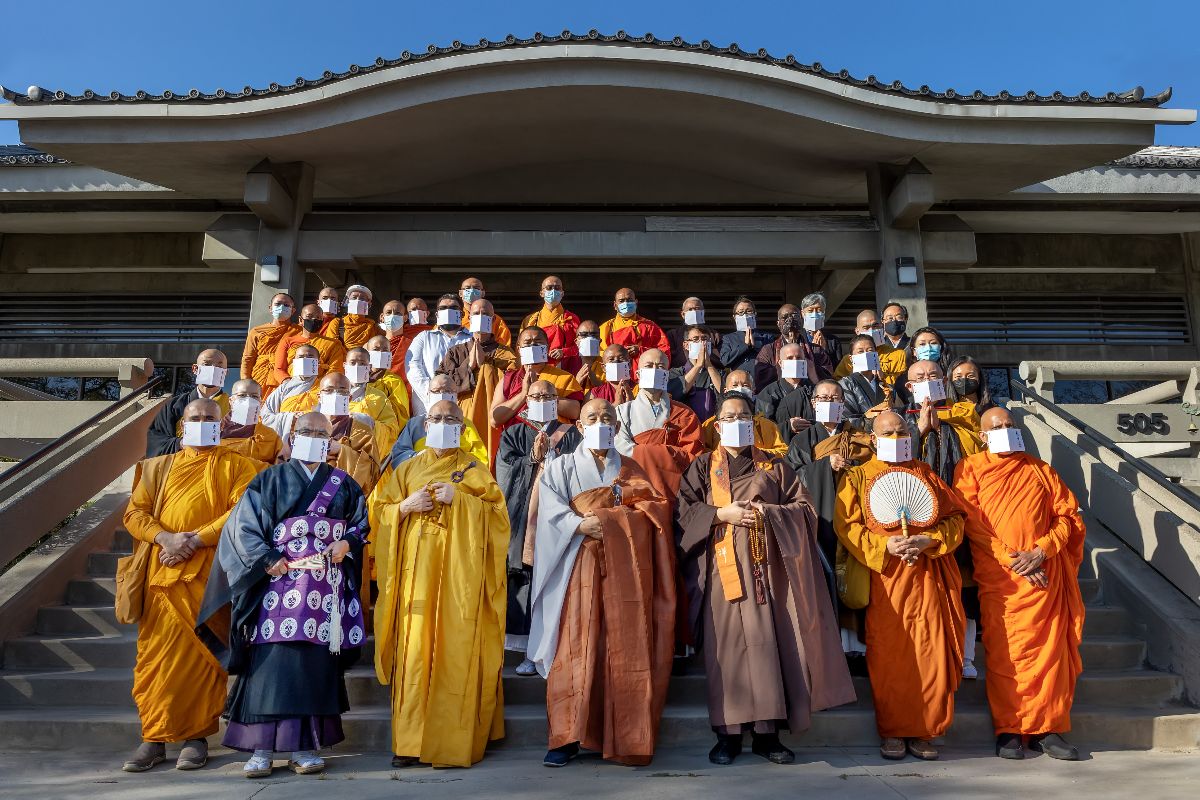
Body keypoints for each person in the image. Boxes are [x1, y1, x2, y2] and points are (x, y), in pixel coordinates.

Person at [676, 392, 855, 766]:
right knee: (726, 653)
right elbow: (684, 513)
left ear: (754, 422)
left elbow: (805, 510)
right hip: (721, 573)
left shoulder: (775, 467)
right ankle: (726, 735)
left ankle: (766, 735)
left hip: (767, 571)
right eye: (728, 416)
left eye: (743, 415)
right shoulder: (703, 467)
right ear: (717, 424)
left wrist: (770, 513)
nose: (736, 422)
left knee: (769, 649)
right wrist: (720, 514)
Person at [196, 411, 370, 778]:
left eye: (322, 434)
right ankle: (260, 748)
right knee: (271, 663)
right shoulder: (269, 480)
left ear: (330, 441)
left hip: (325, 586)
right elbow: (244, 527)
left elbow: (360, 524)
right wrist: (267, 557)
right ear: (292, 434)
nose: (314, 438)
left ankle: (305, 746)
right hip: (279, 583)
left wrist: (348, 543)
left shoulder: (345, 483)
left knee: (314, 665)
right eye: (307, 431)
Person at [528, 398, 677, 767]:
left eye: (607, 418)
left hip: (624, 568)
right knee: (575, 648)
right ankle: (565, 737)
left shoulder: (630, 468)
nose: (600, 423)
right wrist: (578, 524)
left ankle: (623, 735)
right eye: (592, 417)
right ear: (579, 426)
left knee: (621, 648)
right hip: (577, 565)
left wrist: (613, 519)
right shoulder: (560, 466)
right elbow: (549, 511)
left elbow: (654, 509)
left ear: (616, 427)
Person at [120, 398, 258, 772]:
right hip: (160, 575)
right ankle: (153, 737)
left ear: (222, 423)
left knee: (202, 658)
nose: (202, 422)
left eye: (209, 418)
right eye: (195, 418)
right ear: (182, 425)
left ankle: (196, 737)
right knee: (155, 659)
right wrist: (165, 538)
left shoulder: (238, 465)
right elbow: (134, 514)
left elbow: (242, 511)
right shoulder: (155, 468)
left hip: (209, 576)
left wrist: (194, 540)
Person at [371, 399, 509, 768]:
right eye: (436, 418)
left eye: (451, 419)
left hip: (458, 580)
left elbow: (499, 518)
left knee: (454, 649)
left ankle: (451, 740)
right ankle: (409, 741)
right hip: (415, 577)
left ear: (463, 427)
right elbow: (378, 511)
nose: (443, 423)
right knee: (414, 653)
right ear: (424, 423)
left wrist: (462, 500)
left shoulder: (474, 469)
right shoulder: (407, 468)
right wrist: (403, 508)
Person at [834, 410, 967, 761]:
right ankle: (893, 731)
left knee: (930, 653)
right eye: (888, 433)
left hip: (927, 577)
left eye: (902, 430)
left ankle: (925, 731)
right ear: (874, 440)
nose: (896, 437)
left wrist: (929, 540)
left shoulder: (925, 473)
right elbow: (846, 526)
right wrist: (884, 546)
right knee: (890, 657)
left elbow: (956, 519)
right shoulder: (858, 477)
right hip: (885, 579)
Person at [954, 408, 1085, 761]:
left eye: (1010, 425)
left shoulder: (1041, 470)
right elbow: (972, 523)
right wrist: (1014, 559)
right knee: (1005, 653)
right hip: (1002, 578)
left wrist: (1041, 551)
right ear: (982, 436)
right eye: (997, 427)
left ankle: (1049, 728)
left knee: (1050, 653)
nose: (1005, 430)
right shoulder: (970, 469)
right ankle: (1009, 729)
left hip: (1044, 575)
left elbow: (1067, 517)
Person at [495, 381, 583, 676]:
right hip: (526, 519)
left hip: (561, 516)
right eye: (536, 396)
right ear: (526, 400)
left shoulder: (572, 434)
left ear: (557, 400)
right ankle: (531, 652)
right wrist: (532, 460)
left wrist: (554, 460)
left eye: (548, 395)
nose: (542, 400)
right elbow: (504, 470)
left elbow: (580, 471)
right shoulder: (514, 433)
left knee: (559, 582)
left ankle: (561, 648)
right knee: (528, 582)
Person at [613, 348, 704, 503]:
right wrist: (654, 454)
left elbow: (693, 455)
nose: (654, 370)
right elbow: (619, 447)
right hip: (634, 483)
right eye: (649, 366)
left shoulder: (684, 414)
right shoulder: (621, 411)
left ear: (667, 375)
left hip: (673, 486)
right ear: (638, 374)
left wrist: (648, 452)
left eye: (660, 367)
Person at [437, 297, 519, 466]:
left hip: (494, 414)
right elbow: (441, 383)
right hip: (462, 414)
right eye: (476, 313)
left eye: (486, 314)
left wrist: (487, 366)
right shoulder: (455, 352)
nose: (481, 317)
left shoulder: (506, 353)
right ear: (469, 317)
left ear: (494, 319)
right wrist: (470, 366)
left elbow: (514, 384)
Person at [279, 373, 381, 496]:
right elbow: (284, 461)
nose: (335, 395)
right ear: (319, 396)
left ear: (349, 398)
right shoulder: (302, 423)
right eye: (329, 390)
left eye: (342, 391)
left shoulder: (362, 430)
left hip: (340, 498)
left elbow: (371, 473)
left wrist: (340, 450)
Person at [491, 326, 584, 433]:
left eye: (538, 342)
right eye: (527, 342)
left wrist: (541, 396)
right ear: (518, 349)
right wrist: (524, 394)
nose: (532, 346)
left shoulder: (564, 377)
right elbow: (494, 420)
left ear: (547, 347)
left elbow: (575, 411)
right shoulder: (509, 378)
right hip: (517, 441)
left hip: (554, 440)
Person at [387, 374, 490, 469]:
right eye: (436, 391)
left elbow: (480, 459)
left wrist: (459, 462)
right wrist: (420, 456)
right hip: (420, 474)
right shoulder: (415, 424)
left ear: (456, 395)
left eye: (448, 391)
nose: (442, 394)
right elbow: (399, 455)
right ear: (428, 394)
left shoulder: (465, 424)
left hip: (457, 476)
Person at [146, 349, 231, 457]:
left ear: (226, 372)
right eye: (207, 364)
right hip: (182, 464)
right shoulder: (174, 405)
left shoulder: (233, 407)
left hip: (223, 466)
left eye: (219, 366)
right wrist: (180, 443)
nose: (213, 369)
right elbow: (156, 439)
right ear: (195, 369)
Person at [406, 293, 472, 416]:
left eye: (453, 308)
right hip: (427, 407)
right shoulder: (423, 337)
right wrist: (432, 392)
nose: (448, 311)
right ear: (437, 314)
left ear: (462, 314)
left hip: (463, 406)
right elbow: (412, 366)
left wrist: (456, 392)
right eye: (443, 308)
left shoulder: (473, 339)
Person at [698, 370, 787, 456]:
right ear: (725, 391)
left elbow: (783, 452)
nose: (740, 389)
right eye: (735, 385)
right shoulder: (712, 424)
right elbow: (701, 451)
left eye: (745, 385)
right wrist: (728, 455)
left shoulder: (766, 425)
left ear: (753, 390)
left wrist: (755, 453)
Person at [341, 347, 402, 457]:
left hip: (365, 455)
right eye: (353, 363)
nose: (357, 367)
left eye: (362, 363)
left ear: (369, 367)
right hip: (337, 452)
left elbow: (391, 431)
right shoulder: (333, 391)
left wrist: (369, 422)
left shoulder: (378, 396)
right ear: (344, 365)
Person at [754, 304, 830, 388]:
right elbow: (760, 379)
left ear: (801, 321)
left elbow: (828, 378)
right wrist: (782, 366)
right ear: (778, 324)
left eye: (794, 316)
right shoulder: (768, 350)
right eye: (785, 317)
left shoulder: (816, 350)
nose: (790, 320)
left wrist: (811, 369)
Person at [755, 342, 816, 447]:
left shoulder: (816, 391)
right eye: (790, 358)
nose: (795, 361)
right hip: (781, 448)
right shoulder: (768, 393)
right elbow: (762, 428)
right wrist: (788, 426)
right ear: (780, 363)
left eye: (799, 358)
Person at [272, 304, 347, 386]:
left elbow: (335, 369)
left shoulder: (333, 344)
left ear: (322, 321)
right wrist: (289, 384)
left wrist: (319, 386)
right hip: (291, 385)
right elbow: (279, 369)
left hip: (320, 388)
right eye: (309, 316)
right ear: (301, 320)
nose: (314, 319)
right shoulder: (288, 341)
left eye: (318, 318)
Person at [240, 293, 299, 395]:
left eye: (286, 305)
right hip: (260, 376)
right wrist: (245, 382)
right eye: (278, 304)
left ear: (293, 310)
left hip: (286, 377)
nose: (281, 307)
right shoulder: (257, 331)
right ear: (270, 308)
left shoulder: (299, 331)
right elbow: (248, 358)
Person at [261, 344, 322, 440]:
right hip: (284, 441)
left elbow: (331, 417)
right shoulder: (283, 388)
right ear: (294, 363)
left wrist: (307, 417)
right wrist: (290, 418)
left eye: (310, 356)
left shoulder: (324, 388)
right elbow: (265, 417)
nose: (305, 360)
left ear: (318, 362)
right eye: (300, 357)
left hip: (313, 439)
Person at [220, 379, 284, 467]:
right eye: (242, 395)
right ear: (231, 401)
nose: (248, 400)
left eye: (254, 396)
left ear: (261, 403)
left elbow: (279, 470)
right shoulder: (216, 430)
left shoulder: (269, 435)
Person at [599, 287, 670, 368]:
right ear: (615, 305)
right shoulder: (606, 328)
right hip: (615, 374)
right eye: (621, 301)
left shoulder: (650, 327)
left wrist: (641, 350)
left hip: (643, 375)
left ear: (636, 302)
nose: (626, 303)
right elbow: (600, 355)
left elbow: (664, 352)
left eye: (629, 300)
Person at [833, 310, 906, 385]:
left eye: (875, 326)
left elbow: (902, 382)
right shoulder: (848, 360)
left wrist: (883, 376)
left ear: (882, 326)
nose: (871, 330)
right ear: (857, 331)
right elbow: (837, 382)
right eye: (866, 328)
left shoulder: (898, 355)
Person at [522, 275, 580, 369]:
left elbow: (580, 346)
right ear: (541, 293)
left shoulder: (571, 319)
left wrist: (564, 352)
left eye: (557, 288)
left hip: (564, 367)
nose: (553, 291)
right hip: (537, 367)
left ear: (562, 293)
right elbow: (522, 347)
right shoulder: (531, 320)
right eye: (549, 288)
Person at [669, 325, 724, 422]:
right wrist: (698, 366)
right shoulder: (675, 373)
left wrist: (709, 366)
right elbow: (674, 393)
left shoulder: (719, 373)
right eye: (695, 339)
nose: (701, 343)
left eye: (704, 339)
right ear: (686, 345)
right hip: (685, 426)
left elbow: (725, 393)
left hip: (712, 427)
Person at [839, 334, 893, 428]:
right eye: (860, 352)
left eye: (870, 351)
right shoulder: (846, 384)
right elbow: (847, 417)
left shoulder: (885, 384)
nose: (866, 355)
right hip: (861, 434)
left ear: (876, 355)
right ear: (851, 359)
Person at [719, 296, 776, 377]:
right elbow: (724, 361)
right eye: (740, 312)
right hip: (739, 381)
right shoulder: (728, 338)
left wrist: (755, 346)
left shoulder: (767, 337)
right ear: (734, 317)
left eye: (749, 311)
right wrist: (745, 346)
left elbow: (772, 359)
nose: (744, 315)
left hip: (761, 380)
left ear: (755, 314)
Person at [382, 297, 431, 387]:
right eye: (389, 312)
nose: (393, 316)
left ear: (405, 318)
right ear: (382, 317)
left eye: (397, 313)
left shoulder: (414, 343)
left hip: (407, 392)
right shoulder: (373, 344)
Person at [364, 334, 412, 424]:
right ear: (368, 353)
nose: (381, 353)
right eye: (376, 349)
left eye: (385, 350)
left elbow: (402, 413)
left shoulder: (395, 381)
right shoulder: (359, 379)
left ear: (390, 354)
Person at [324, 284, 384, 349]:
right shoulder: (337, 323)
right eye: (354, 298)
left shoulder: (373, 326)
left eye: (362, 298)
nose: (358, 300)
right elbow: (331, 348)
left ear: (369, 304)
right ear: (347, 301)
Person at [458, 276, 512, 347]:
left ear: (483, 293)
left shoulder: (495, 320)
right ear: (460, 293)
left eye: (476, 288)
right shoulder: (455, 318)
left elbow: (504, 347)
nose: (471, 291)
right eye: (467, 288)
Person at [799, 291, 842, 367]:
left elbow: (837, 366)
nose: (814, 314)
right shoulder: (797, 337)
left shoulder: (833, 340)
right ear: (802, 313)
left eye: (819, 310)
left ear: (824, 313)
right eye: (810, 310)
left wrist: (824, 350)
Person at [666, 297, 706, 369]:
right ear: (683, 314)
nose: (694, 311)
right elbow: (668, 358)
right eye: (690, 309)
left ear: (703, 312)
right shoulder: (672, 334)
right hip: (681, 373)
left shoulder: (714, 334)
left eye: (697, 309)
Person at [562, 319, 603, 388]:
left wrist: (598, 384)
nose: (589, 338)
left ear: (600, 340)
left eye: (594, 335)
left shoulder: (607, 364)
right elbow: (559, 393)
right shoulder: (564, 364)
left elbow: (612, 392)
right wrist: (576, 383)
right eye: (584, 335)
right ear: (576, 341)